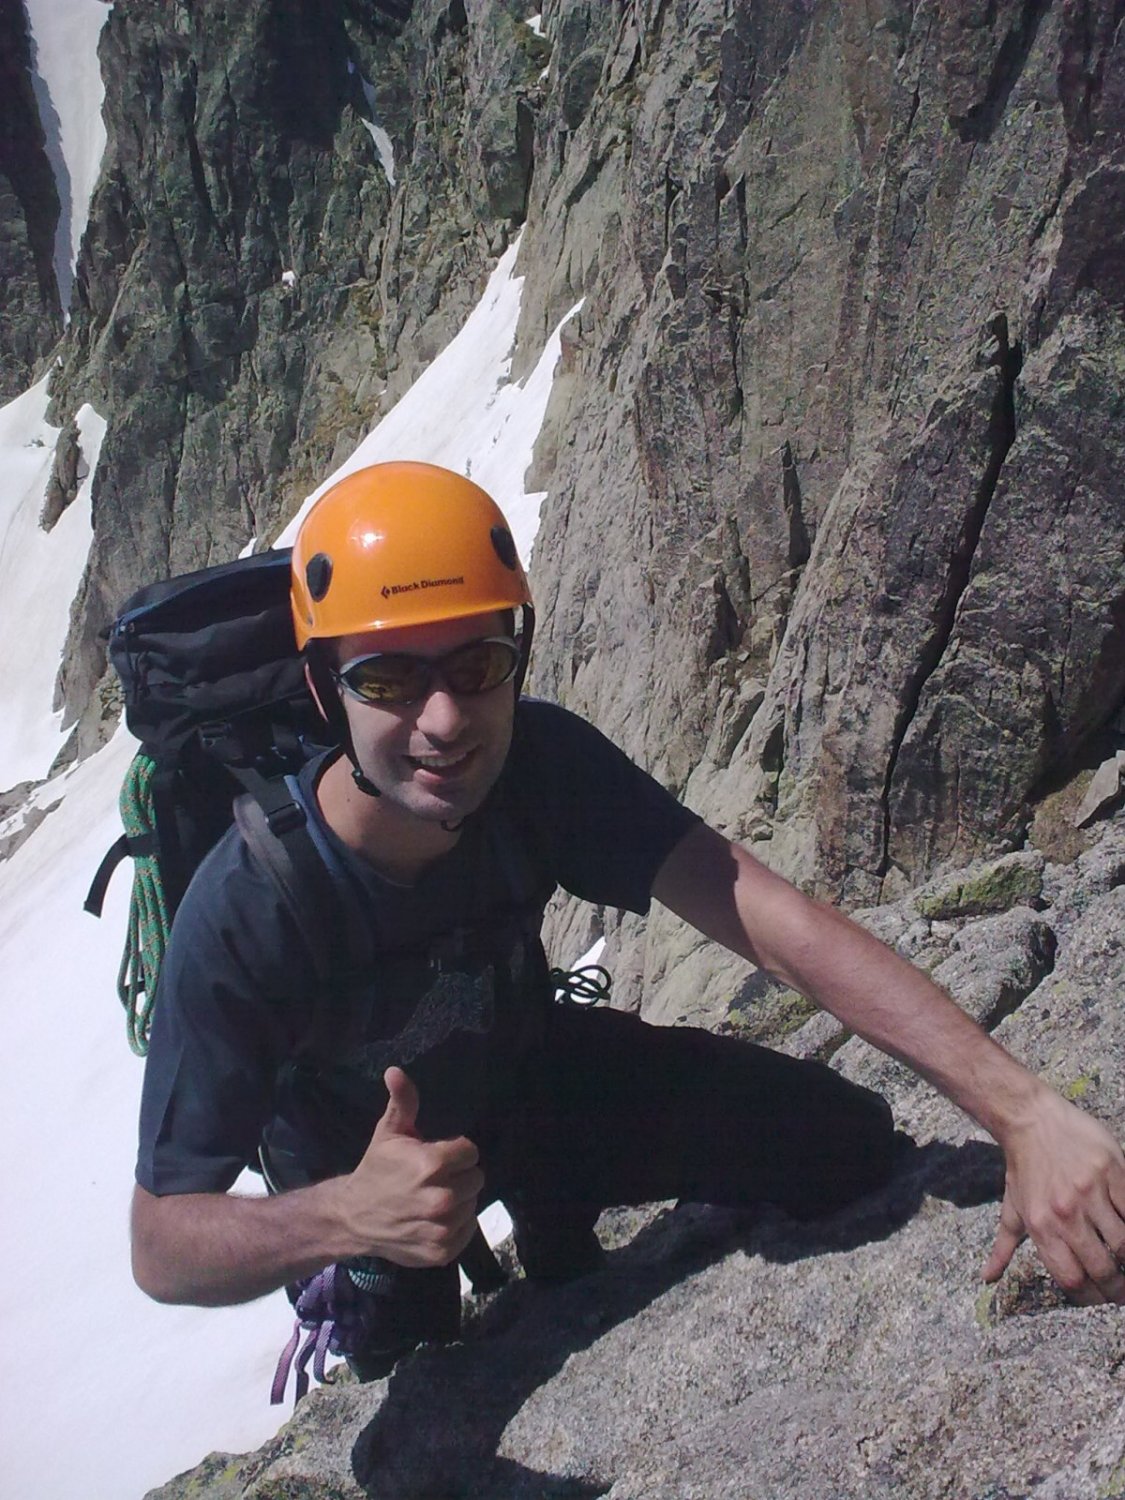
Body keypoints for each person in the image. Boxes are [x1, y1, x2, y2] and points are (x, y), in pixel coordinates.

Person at [131, 460, 1125, 1376]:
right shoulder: (246, 911)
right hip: (368, 1190)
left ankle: (553, 1232)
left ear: (516, 654)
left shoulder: (541, 768)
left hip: (533, 1084)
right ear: (321, 690)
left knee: (848, 1144)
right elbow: (163, 1241)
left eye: (476, 664)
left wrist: (1023, 1113)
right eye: (387, 679)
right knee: (422, 1394)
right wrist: (343, 1216)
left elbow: (770, 918)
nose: (442, 721)